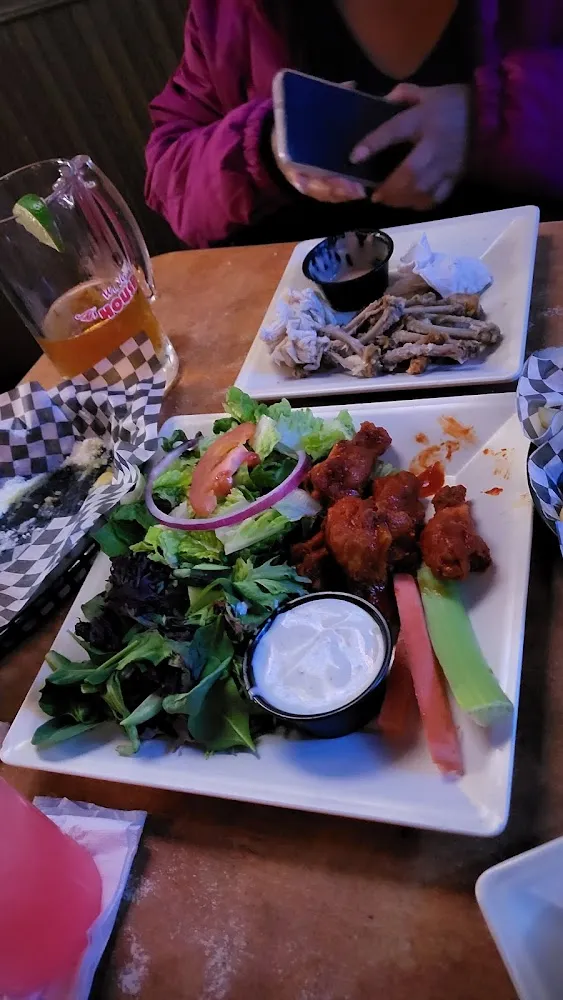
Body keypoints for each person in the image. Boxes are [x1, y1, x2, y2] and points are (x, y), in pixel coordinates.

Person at [145, 0, 563, 249]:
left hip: (533, 288)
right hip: (319, 337)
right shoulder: (228, 10)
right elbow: (169, 172)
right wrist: (265, 147)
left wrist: (489, 115)